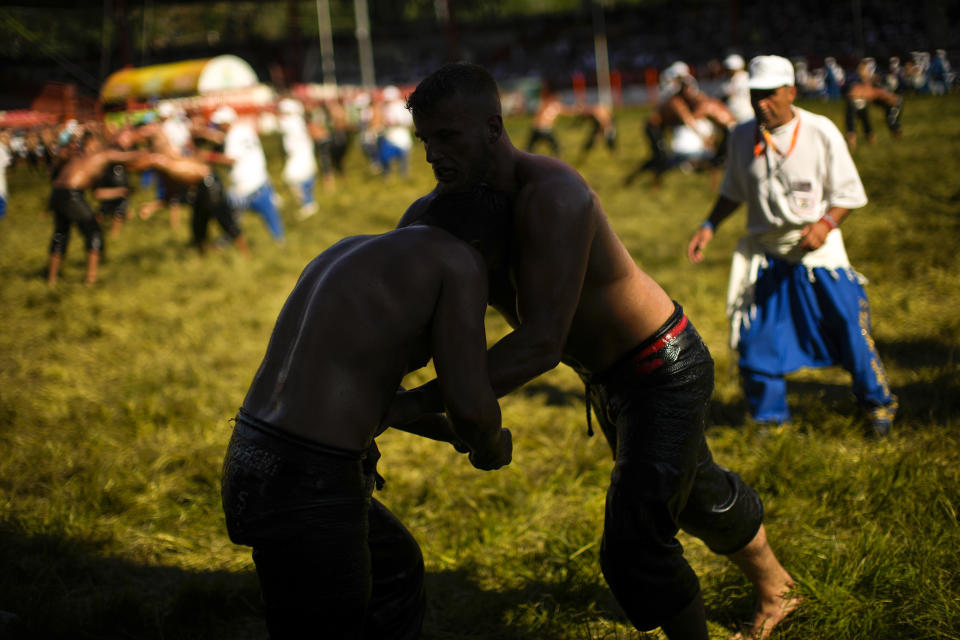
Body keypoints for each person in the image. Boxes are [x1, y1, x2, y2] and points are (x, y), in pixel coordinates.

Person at [394, 61, 797, 640]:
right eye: (425, 140)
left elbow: (540, 342)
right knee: (693, 493)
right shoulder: (446, 207)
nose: (434, 155)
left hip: (662, 367)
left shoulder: (554, 194)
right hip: (609, 378)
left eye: (448, 137)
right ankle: (778, 586)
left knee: (634, 542)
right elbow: (399, 281)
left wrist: (408, 407)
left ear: (492, 127)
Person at [220, 188, 514, 639]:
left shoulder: (346, 251)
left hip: (251, 458)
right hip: (312, 478)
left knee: (394, 570)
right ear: (486, 242)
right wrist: (490, 446)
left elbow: (358, 381)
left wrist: (443, 431)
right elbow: (471, 403)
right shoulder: (459, 260)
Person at [687, 55, 898, 436]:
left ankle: (878, 406)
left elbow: (848, 194)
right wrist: (709, 225)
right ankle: (769, 420)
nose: (761, 103)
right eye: (755, 95)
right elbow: (733, 191)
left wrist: (825, 223)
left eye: (770, 95)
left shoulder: (821, 131)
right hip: (768, 254)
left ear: (791, 92)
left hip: (820, 253)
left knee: (850, 329)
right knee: (755, 340)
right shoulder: (740, 136)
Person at [46, 130, 145, 286]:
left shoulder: (78, 158)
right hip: (72, 194)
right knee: (94, 232)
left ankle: (51, 280)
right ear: (95, 143)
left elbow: (98, 194)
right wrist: (149, 152)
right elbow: (127, 157)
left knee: (60, 234)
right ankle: (91, 280)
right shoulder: (101, 155)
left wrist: (120, 192)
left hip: (57, 194)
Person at [624, 62, 736, 187]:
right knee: (660, 158)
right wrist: (704, 136)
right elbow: (688, 120)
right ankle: (645, 181)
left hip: (729, 129)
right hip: (653, 128)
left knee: (718, 159)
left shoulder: (699, 101)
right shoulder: (677, 103)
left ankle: (647, 181)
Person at [209, 106, 286, 243]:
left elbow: (231, 158)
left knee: (229, 218)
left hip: (244, 187)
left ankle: (226, 242)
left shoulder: (233, 135)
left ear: (226, 122)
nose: (218, 127)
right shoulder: (246, 130)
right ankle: (280, 244)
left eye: (219, 124)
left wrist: (210, 157)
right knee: (272, 220)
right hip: (260, 181)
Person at [843, 57, 904, 150]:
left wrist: (868, 92)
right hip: (877, 102)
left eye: (863, 69)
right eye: (860, 69)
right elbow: (853, 93)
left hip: (892, 103)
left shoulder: (877, 80)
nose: (860, 71)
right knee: (856, 108)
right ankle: (866, 139)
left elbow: (884, 95)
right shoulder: (859, 80)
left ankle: (898, 141)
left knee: (891, 120)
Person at [276, 97, 319, 219]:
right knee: (305, 177)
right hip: (302, 152)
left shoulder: (291, 122)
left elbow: (278, 125)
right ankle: (308, 203)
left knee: (290, 178)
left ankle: (307, 203)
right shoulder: (297, 120)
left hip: (299, 154)